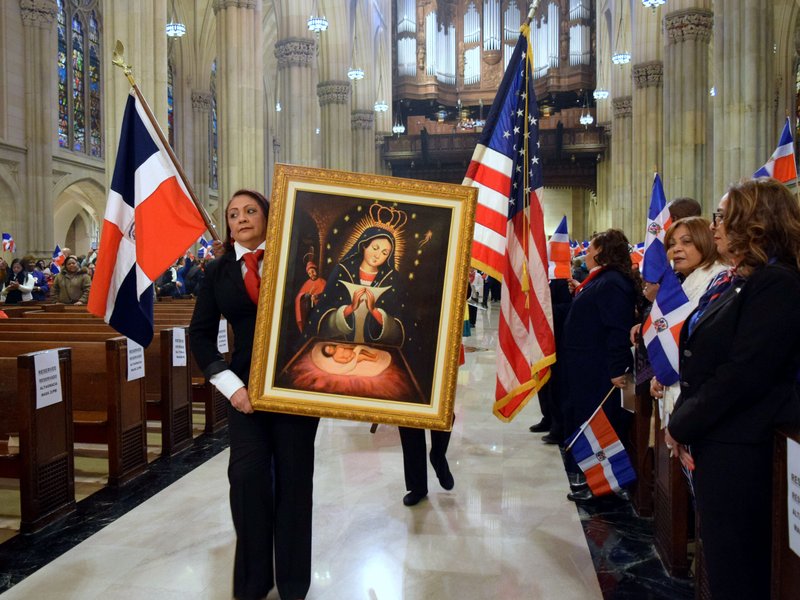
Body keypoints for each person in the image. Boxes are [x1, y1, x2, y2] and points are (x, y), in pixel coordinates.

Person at [665, 178, 800, 599]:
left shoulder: (778, 284)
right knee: (722, 567)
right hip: (721, 442)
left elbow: (742, 374)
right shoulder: (745, 281)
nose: (715, 225)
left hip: (744, 450)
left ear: (753, 222)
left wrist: (682, 422)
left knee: (738, 573)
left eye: (722, 216)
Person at [189, 189, 319, 600]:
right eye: (232, 214)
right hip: (244, 392)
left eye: (250, 210)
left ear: (267, 215)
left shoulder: (294, 259)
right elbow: (201, 335)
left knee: (295, 483)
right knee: (246, 480)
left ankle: (294, 584)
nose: (241, 218)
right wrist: (231, 387)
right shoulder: (218, 271)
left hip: (296, 387)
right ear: (227, 225)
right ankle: (253, 582)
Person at [561, 229, 639, 502]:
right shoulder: (601, 280)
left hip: (603, 371)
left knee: (603, 425)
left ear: (600, 251)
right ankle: (595, 481)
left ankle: (606, 487)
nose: (585, 253)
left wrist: (618, 369)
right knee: (590, 423)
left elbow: (616, 329)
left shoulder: (612, 283)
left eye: (590, 246)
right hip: (587, 367)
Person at [648, 217, 726, 425]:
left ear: (706, 241)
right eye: (671, 244)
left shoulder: (718, 279)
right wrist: (662, 374)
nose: (676, 250)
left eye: (686, 242)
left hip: (702, 401)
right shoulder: (684, 282)